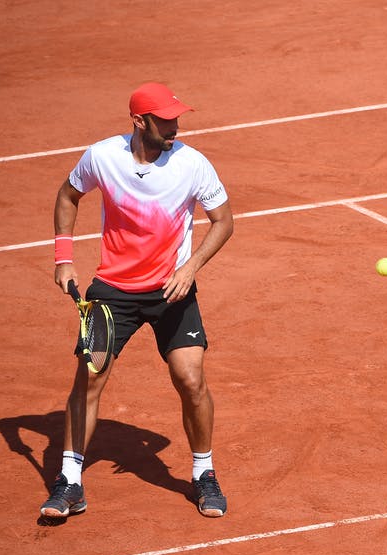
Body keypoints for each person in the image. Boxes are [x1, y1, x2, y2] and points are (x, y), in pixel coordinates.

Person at [41, 82, 235, 518]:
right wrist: (63, 258)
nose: (175, 126)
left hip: (172, 289)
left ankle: (204, 473)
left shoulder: (192, 163)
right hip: (113, 290)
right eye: (165, 120)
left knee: (191, 379)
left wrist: (191, 268)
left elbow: (223, 221)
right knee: (89, 379)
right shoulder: (103, 157)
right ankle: (69, 482)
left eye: (176, 118)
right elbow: (69, 194)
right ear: (138, 121)